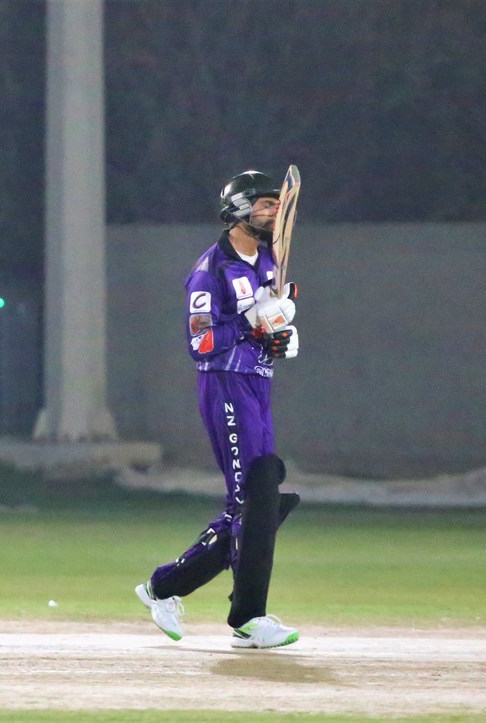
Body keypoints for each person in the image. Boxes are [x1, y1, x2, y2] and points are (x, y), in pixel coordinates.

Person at [135, 170, 302, 649]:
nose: (274, 213)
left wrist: (280, 339)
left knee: (257, 501)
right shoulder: (211, 270)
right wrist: (254, 321)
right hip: (225, 385)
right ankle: (248, 619)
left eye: (277, 205)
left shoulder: (267, 260)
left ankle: (163, 587)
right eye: (265, 205)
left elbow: (266, 327)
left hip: (258, 383)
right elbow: (201, 343)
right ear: (238, 211)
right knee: (257, 496)